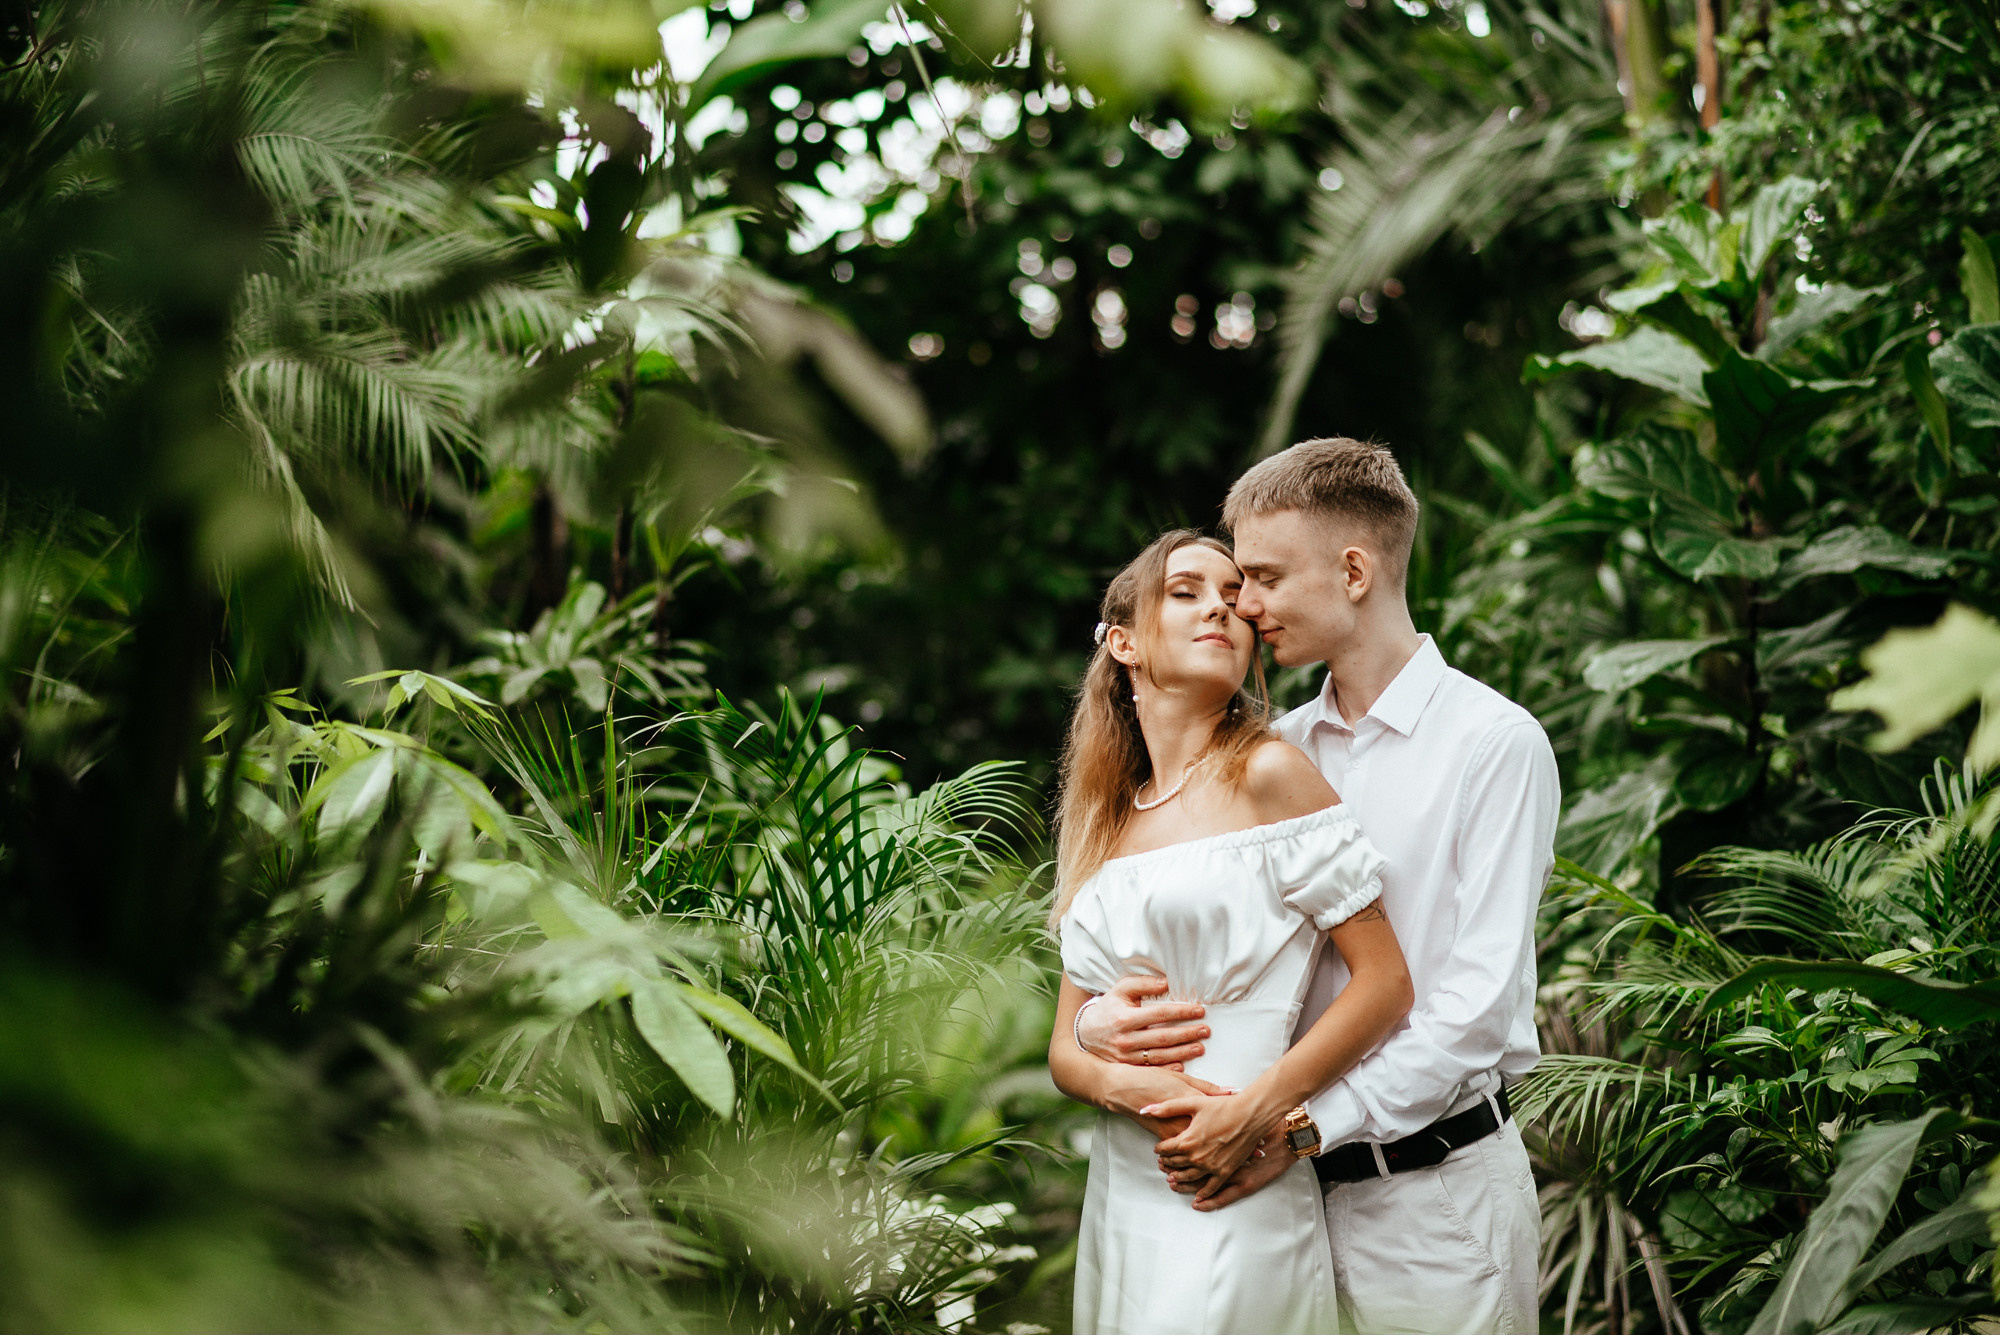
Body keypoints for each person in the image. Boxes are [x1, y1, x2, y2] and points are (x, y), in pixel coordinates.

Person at [1075, 439, 1560, 1335]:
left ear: (1353, 570)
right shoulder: (1271, 750)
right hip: (1267, 1202)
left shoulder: (1492, 742)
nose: (1244, 606)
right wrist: (1095, 1025)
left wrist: (1295, 1127)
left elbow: (1474, 1012)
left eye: (1260, 577)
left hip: (1429, 1201)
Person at [1046, 528, 1415, 1335]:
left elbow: (1386, 984)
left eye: (1232, 597)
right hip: (1125, 1187)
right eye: (1185, 591)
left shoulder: (1269, 775)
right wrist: (1127, 1081)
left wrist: (1259, 1113)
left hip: (1235, 1170)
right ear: (1124, 642)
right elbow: (1064, 1052)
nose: (1221, 604)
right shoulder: (1106, 818)